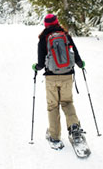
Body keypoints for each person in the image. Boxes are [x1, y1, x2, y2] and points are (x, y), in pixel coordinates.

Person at [32, 14, 85, 149]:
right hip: (67, 75)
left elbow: (40, 63)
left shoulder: (43, 39)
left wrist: (36, 68)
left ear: (46, 25)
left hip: (51, 77)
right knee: (67, 103)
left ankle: (54, 137)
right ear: (57, 22)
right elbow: (76, 55)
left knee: (53, 106)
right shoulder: (65, 36)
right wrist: (80, 64)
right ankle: (74, 128)